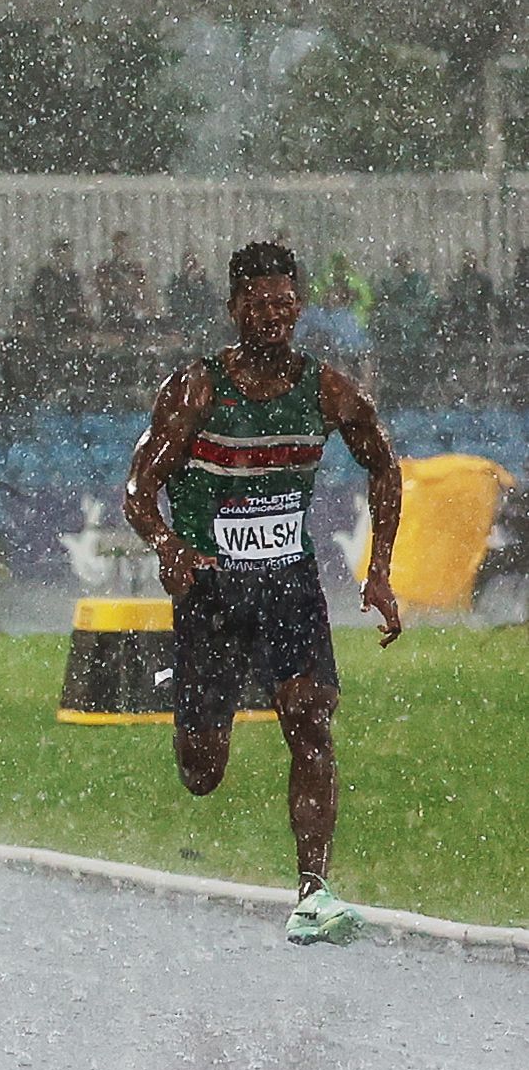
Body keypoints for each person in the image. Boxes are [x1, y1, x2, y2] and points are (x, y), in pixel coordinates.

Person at [120, 241, 404, 945]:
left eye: (285, 303)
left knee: (310, 723)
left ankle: (313, 890)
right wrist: (169, 547)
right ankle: (188, 693)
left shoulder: (330, 391)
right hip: (211, 590)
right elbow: (137, 490)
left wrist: (379, 572)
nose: (274, 316)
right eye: (259, 304)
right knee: (201, 771)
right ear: (234, 308)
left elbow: (385, 469)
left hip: (287, 584)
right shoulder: (198, 389)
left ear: (300, 307)